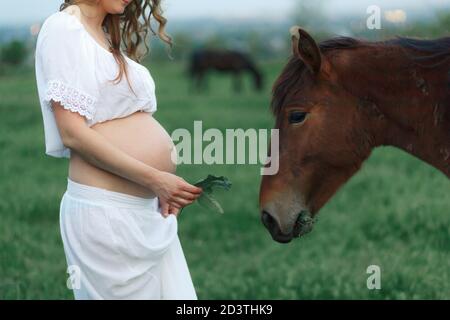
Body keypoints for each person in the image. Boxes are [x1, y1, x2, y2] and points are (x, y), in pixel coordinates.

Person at [34, 0, 202, 299]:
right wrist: (155, 179)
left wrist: (159, 188)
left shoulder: (101, 35)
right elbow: (72, 134)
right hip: (106, 215)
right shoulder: (63, 28)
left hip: (144, 210)